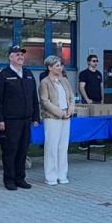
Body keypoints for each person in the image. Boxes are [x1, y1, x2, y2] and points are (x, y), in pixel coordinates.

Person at [0, 45, 40, 191]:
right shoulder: (2, 75)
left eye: (22, 54)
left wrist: (35, 117)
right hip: (10, 120)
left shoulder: (28, 73)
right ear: (10, 57)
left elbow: (34, 97)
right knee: (10, 151)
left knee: (23, 150)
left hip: (26, 119)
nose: (20, 57)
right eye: (17, 54)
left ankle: (20, 178)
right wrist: (0, 120)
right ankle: (9, 179)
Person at [38, 56, 76, 185]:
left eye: (61, 65)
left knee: (63, 147)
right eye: (57, 66)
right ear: (50, 67)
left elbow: (71, 97)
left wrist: (70, 110)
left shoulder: (64, 80)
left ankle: (62, 174)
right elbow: (45, 101)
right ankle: (51, 176)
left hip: (66, 116)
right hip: (52, 118)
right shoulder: (45, 82)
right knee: (51, 147)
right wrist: (60, 113)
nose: (60, 68)